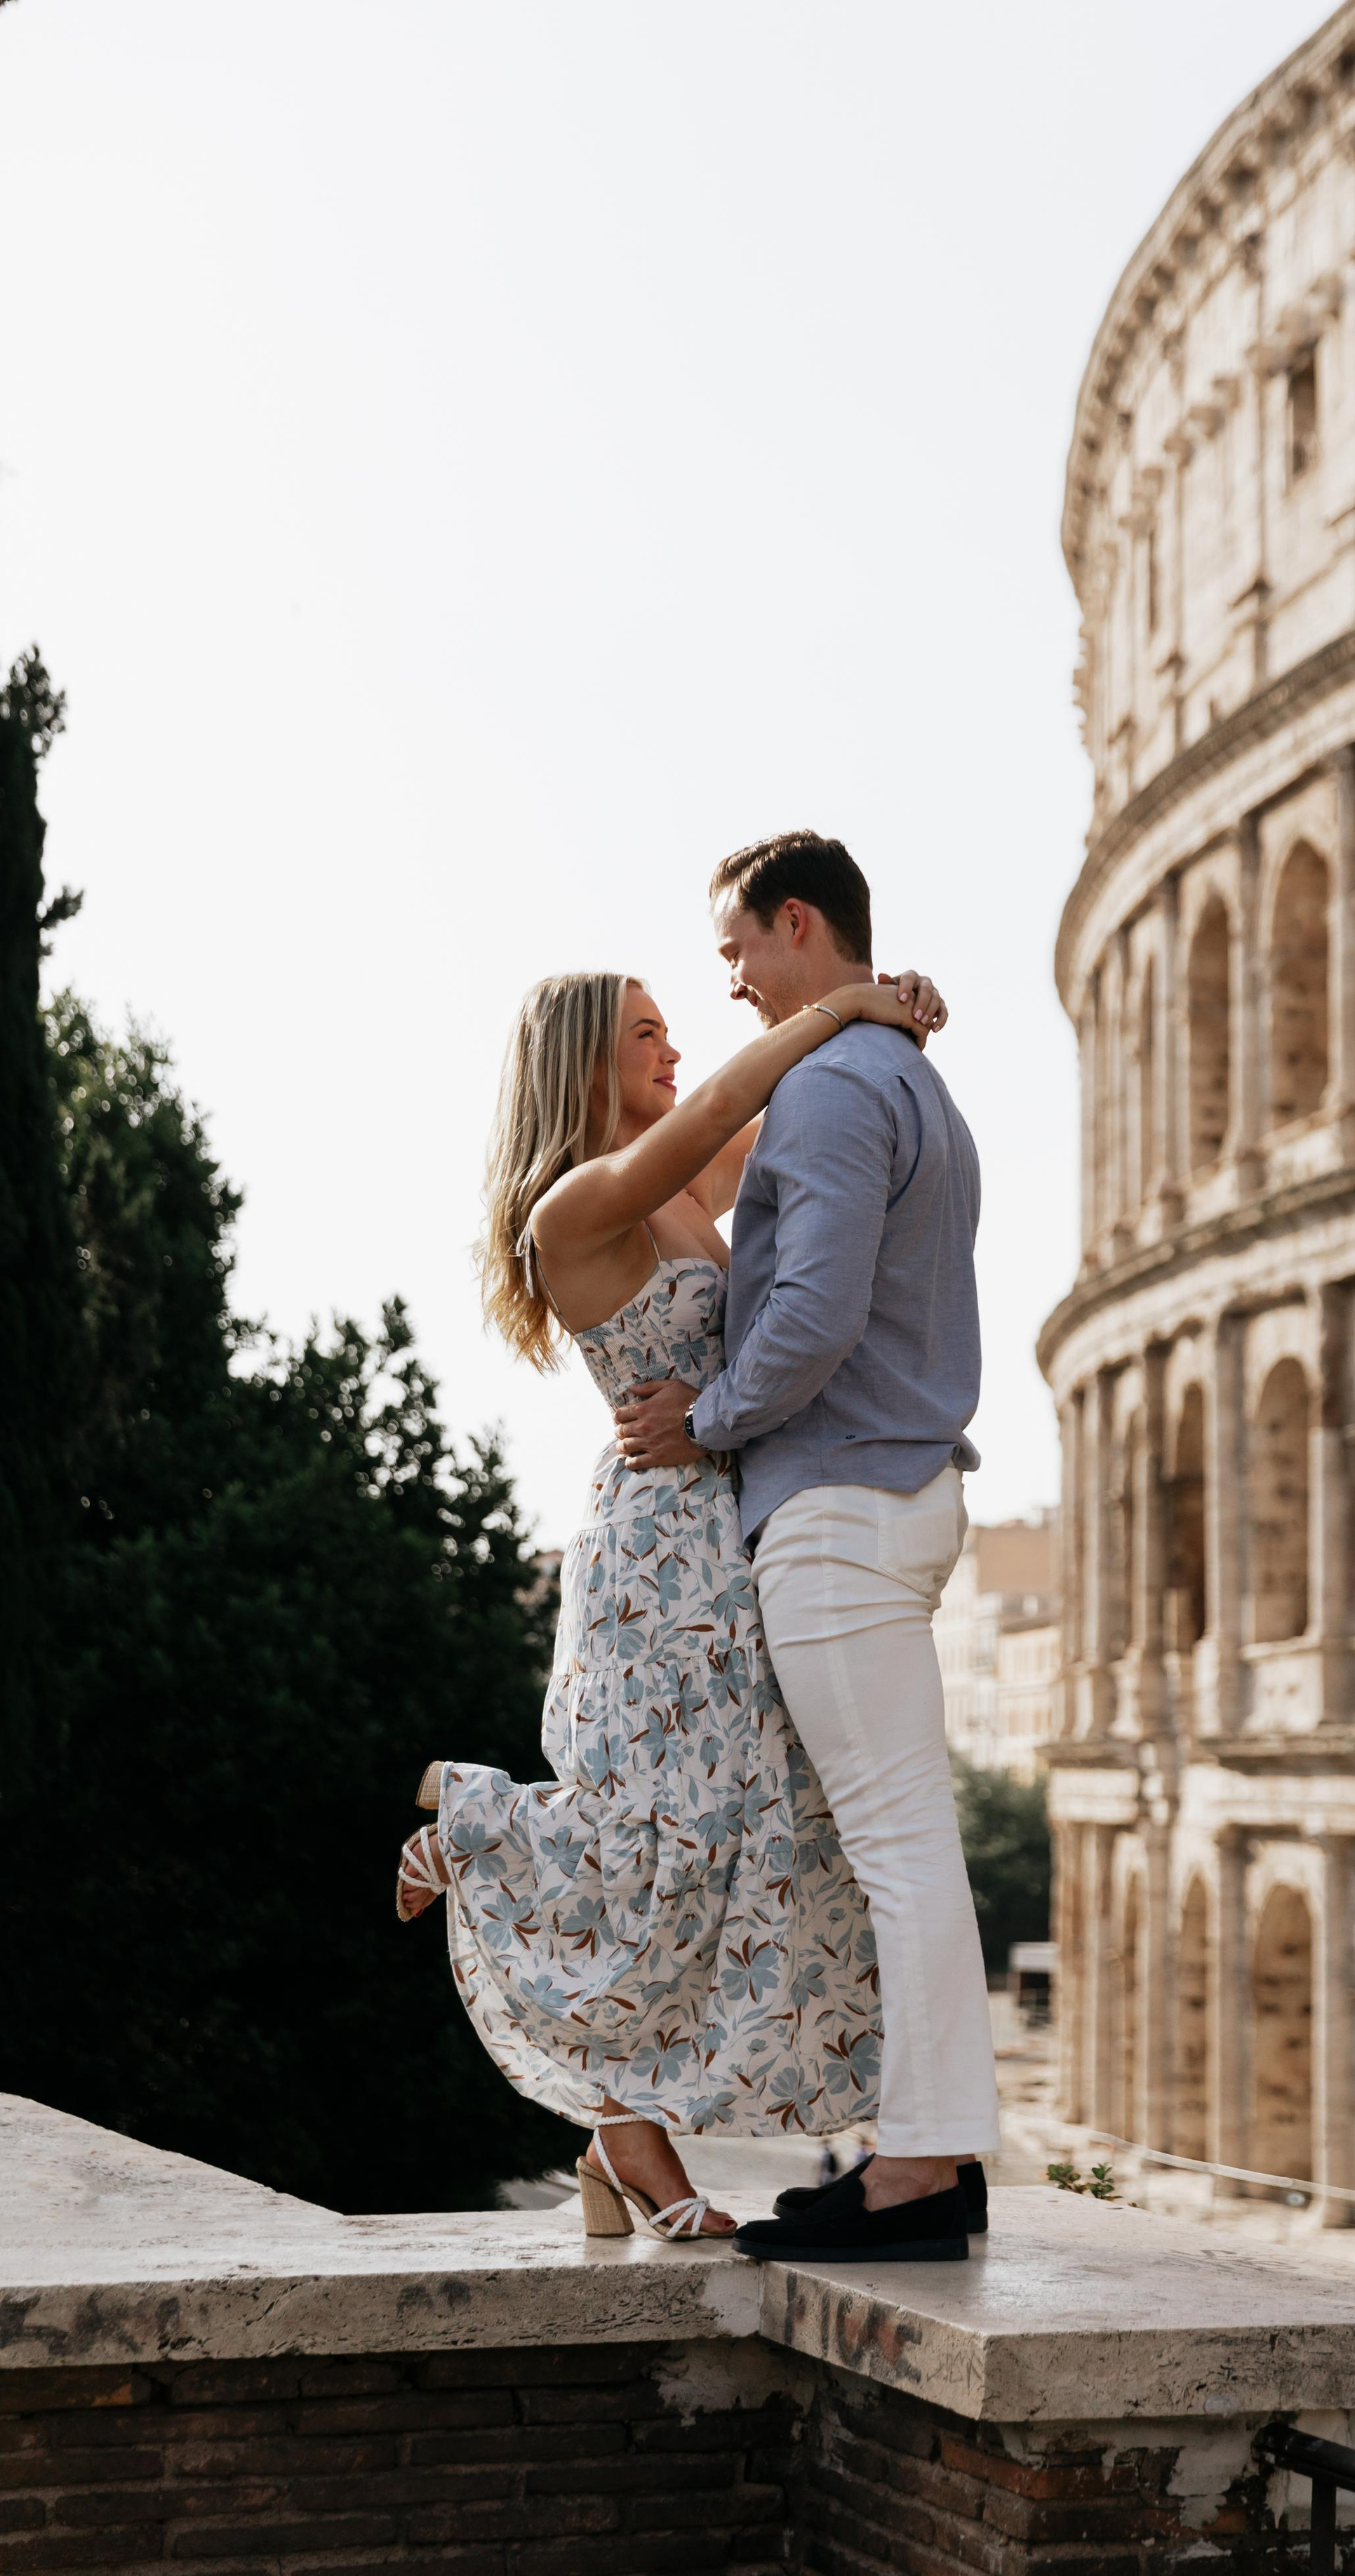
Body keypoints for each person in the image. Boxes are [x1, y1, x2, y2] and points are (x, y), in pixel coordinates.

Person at [394, 957, 945, 2243]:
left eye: (673, 1031)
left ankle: (616, 2135)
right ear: (584, 1060)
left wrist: (889, 1025)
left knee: (756, 1831)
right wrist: (842, 1006)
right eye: (645, 1033)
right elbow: (723, 1114)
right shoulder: (580, 1205)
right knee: (677, 1830)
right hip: (656, 1555)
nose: (674, 1051)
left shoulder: (695, 1180)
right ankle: (480, 1832)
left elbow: (814, 1127)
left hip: (742, 1532)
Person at [615, 830, 1001, 2266]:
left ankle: (919, 2172)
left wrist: (707, 1422)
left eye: (735, 951)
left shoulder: (838, 1088)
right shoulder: (900, 1073)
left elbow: (813, 1313)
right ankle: (924, 2156)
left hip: (837, 1501)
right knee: (902, 1844)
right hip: (891, 1491)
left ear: (795, 925)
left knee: (898, 1850)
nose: (727, 982)